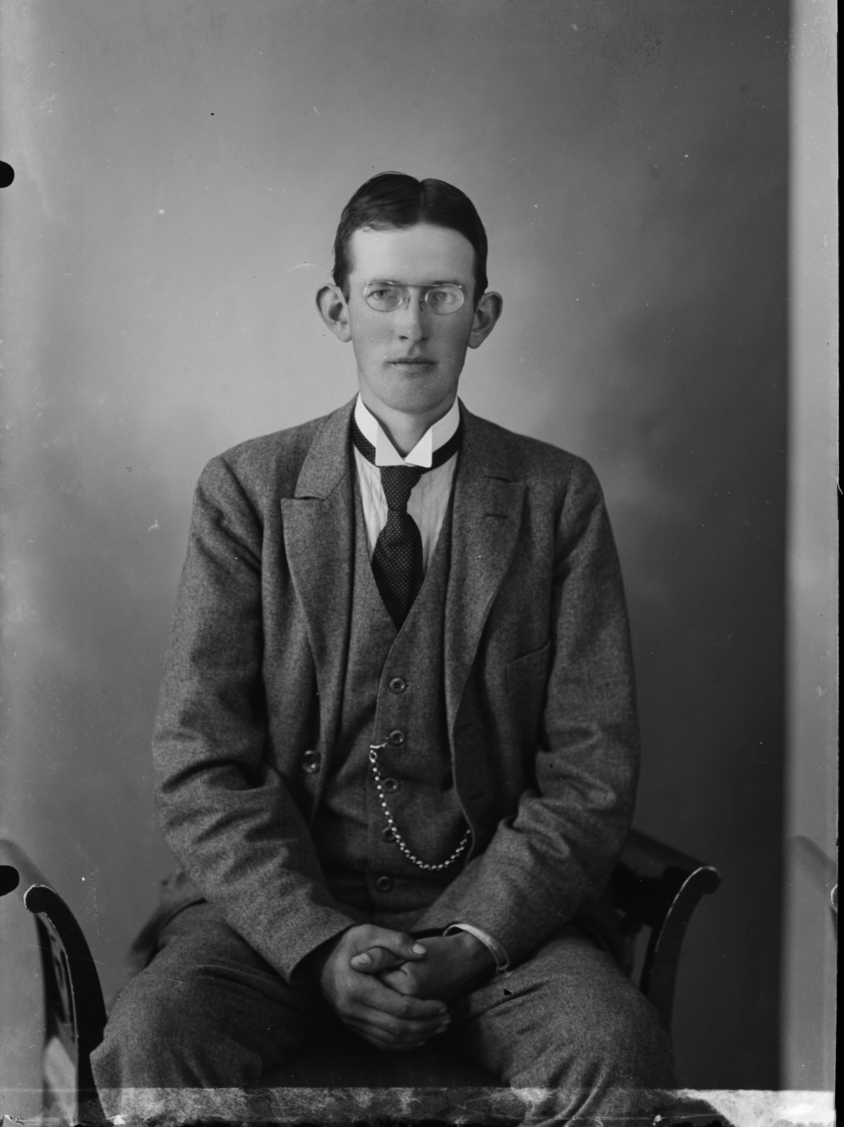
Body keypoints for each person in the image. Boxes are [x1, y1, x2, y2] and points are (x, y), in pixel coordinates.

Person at [91, 172, 677, 1122]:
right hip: (274, 922)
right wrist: (319, 947)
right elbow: (200, 762)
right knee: (154, 1042)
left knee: (613, 1047)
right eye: (385, 294)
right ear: (339, 311)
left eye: (442, 295)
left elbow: (591, 772)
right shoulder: (245, 491)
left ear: (482, 316)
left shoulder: (556, 498)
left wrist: (470, 938)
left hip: (499, 923)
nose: (412, 326)